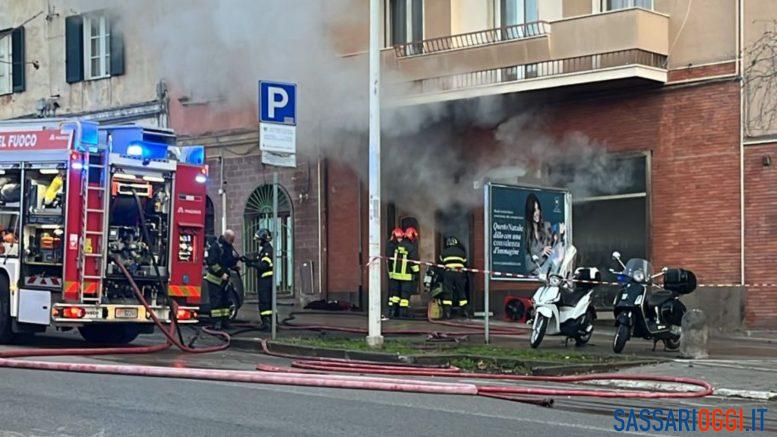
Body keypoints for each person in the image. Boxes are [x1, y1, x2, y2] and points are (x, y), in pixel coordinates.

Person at [203, 229, 239, 330]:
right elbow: (212, 263)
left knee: (225, 301)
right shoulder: (216, 247)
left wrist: (234, 266)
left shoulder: (228, 247)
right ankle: (216, 322)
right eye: (231, 240)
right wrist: (221, 273)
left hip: (224, 280)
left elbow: (228, 260)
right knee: (216, 302)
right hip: (215, 279)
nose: (232, 242)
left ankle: (225, 322)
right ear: (227, 238)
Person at [385, 227, 419, 318]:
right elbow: (413, 263)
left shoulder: (397, 246)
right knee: (405, 295)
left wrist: (391, 273)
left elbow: (391, 261)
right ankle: (403, 313)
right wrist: (416, 273)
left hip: (395, 276)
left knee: (395, 295)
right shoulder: (411, 247)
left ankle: (393, 312)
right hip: (406, 276)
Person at [244, 228, 274, 331]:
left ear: (264, 239)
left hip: (266, 280)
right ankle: (270, 323)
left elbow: (263, 265)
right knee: (266, 301)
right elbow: (258, 261)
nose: (258, 242)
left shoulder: (267, 250)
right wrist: (248, 260)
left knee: (265, 302)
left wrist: (252, 264)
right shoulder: (265, 249)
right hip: (265, 280)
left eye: (259, 240)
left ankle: (268, 323)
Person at [439, 235, 468, 319]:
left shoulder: (444, 252)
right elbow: (465, 263)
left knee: (447, 292)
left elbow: (440, 263)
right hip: (459, 273)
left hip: (448, 273)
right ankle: (464, 311)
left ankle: (447, 312)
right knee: (461, 291)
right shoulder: (462, 252)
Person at [524, 193, 551, 276]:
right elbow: (528, 265)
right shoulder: (526, 233)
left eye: (538, 209)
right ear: (529, 213)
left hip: (550, 276)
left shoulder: (547, 227)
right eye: (534, 210)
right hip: (534, 278)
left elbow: (555, 250)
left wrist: (560, 234)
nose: (537, 213)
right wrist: (541, 253)